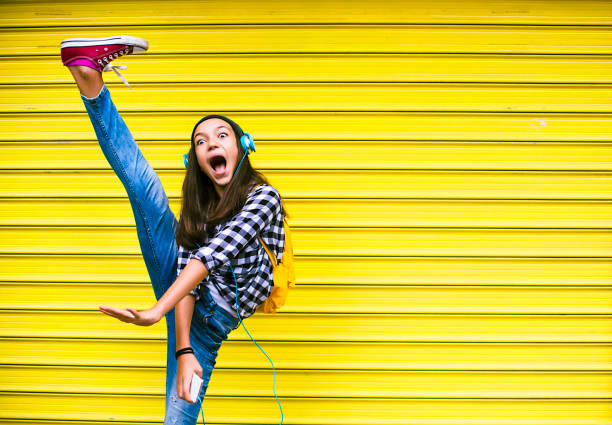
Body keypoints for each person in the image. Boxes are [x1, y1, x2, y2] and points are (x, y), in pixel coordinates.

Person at [60, 35, 287, 424]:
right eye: (201, 141)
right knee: (142, 186)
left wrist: (162, 319)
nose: (211, 143)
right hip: (183, 297)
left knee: (177, 419)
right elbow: (189, 269)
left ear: (242, 147)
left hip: (210, 327)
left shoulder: (265, 199)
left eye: (221, 136)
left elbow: (215, 255)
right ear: (197, 159)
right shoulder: (199, 210)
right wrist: (179, 346)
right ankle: (88, 76)